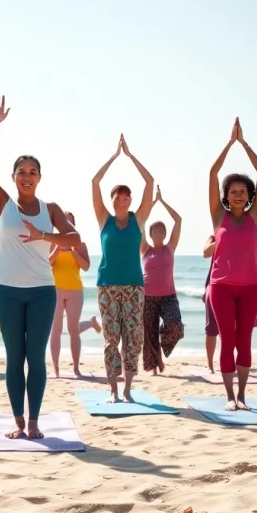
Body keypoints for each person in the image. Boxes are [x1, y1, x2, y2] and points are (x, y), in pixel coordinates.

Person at [0, 94, 80, 439]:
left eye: (32, 172)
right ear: (13, 176)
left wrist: (44, 234)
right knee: (13, 358)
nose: (26, 176)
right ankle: (18, 422)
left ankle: (34, 422)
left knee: (35, 358)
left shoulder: (50, 208)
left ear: (39, 178)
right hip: (7, 292)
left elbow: (75, 240)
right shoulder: (2, 203)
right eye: (21, 172)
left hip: (41, 293)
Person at [208, 117, 257, 412]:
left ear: (249, 195)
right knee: (227, 338)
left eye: (243, 191)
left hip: (251, 287)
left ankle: (243, 395)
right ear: (226, 196)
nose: (239, 195)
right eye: (233, 191)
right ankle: (229, 396)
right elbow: (213, 172)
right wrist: (229, 144)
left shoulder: (255, 215)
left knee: (244, 340)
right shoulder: (220, 217)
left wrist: (244, 143)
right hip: (221, 288)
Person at [92, 133, 154, 403]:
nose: (126, 198)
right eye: (121, 195)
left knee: (134, 339)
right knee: (111, 339)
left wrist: (130, 157)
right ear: (113, 198)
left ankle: (127, 389)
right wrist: (114, 157)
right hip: (107, 287)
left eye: (129, 196)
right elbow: (95, 181)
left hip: (133, 287)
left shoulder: (137, 220)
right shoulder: (104, 219)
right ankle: (113, 390)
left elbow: (150, 182)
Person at [201, 235, 257, 373]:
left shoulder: (243, 233)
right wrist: (222, 239)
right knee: (212, 328)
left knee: (237, 324)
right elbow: (205, 252)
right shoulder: (213, 237)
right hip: (216, 286)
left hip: (238, 285)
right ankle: (210, 365)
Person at [49, 211, 101, 377]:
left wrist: (73, 251)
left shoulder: (80, 245)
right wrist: (58, 248)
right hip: (56, 290)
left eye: (69, 224)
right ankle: (56, 370)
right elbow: (47, 263)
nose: (66, 227)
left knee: (73, 330)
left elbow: (85, 266)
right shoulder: (52, 243)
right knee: (55, 330)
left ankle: (76, 369)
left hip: (75, 290)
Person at [141, 186, 184, 375]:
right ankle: (154, 365)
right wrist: (151, 204)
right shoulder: (144, 249)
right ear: (150, 235)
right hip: (147, 297)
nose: (157, 233)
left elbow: (178, 220)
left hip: (168, 297)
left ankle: (160, 348)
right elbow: (140, 220)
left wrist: (162, 202)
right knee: (148, 334)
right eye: (154, 231)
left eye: (161, 231)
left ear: (165, 234)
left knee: (175, 327)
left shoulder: (170, 248)